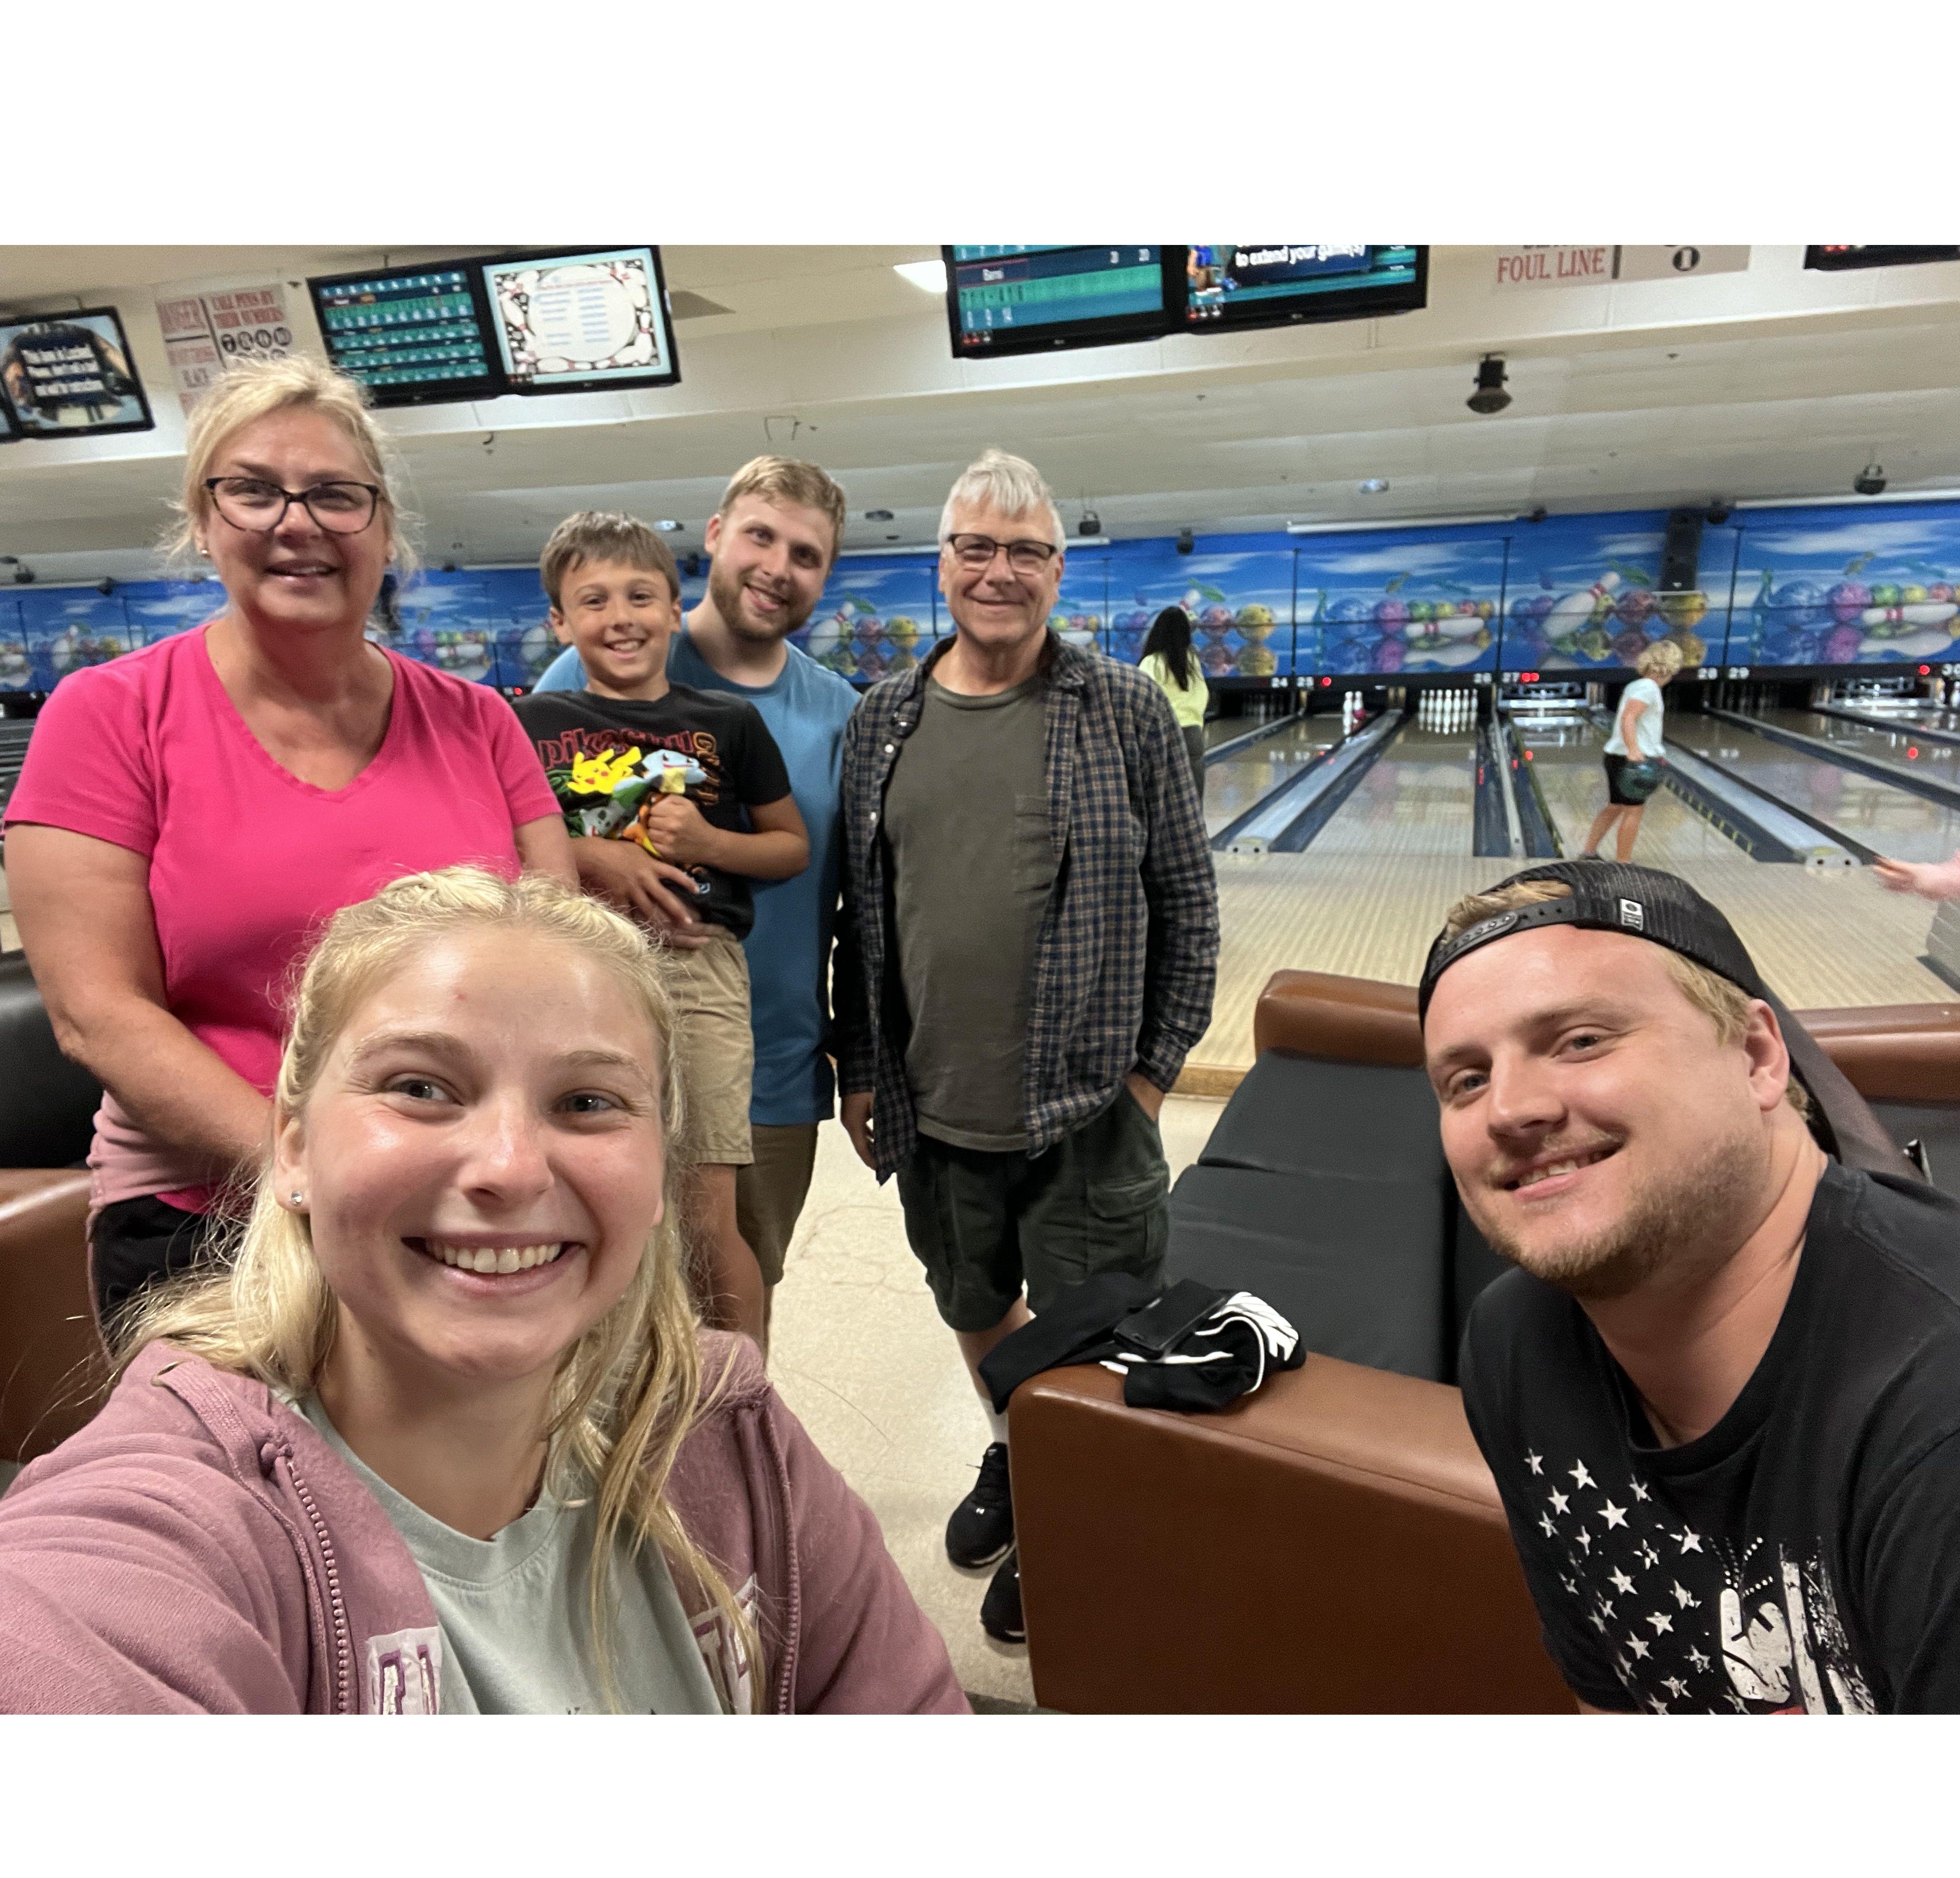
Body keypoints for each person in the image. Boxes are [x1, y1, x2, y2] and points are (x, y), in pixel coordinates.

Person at [0, 868, 967, 1715]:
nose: (508, 1168)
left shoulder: (731, 1437)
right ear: (292, 1147)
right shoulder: (160, 1539)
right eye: (421, 1088)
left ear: (660, 1171)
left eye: (588, 1103)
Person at [2, 356, 573, 1340]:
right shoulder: (109, 716)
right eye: (254, 491)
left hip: (461, 1210)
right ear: (204, 519)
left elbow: (560, 968)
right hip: (208, 1223)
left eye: (335, 496)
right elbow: (100, 1013)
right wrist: (314, 1171)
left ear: (384, 528)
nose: (296, 523)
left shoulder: (479, 722)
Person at [1420, 859, 1960, 1713]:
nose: (1511, 1108)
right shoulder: (1515, 1346)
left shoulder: (1934, 1420)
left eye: (1580, 1040)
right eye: (1467, 1078)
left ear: (1754, 1057)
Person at [835, 449, 1219, 1643]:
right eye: (976, 548)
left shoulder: (1125, 710)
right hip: (933, 1099)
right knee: (973, 1301)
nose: (999, 572)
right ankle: (1016, 1456)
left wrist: (1150, 1082)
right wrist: (858, 1064)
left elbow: (1190, 907)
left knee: (1099, 1327)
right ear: (941, 563)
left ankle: (1071, 1512)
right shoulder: (884, 718)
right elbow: (858, 907)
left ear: (1060, 570)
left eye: (1028, 551)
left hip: (1090, 1103)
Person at [534, 459, 856, 1330]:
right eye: (760, 535)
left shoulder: (839, 712)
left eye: (806, 553)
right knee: (596, 1294)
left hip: (774, 1059)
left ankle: (731, 1456)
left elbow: (864, 909)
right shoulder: (584, 669)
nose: (777, 566)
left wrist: (863, 1064)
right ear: (715, 536)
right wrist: (596, 858)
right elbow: (523, 829)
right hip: (591, 1026)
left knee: (725, 1281)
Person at [1579, 639, 1687, 862]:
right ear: (1671, 667)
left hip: (1617, 757)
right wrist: (1634, 750)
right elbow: (1629, 718)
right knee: (1634, 812)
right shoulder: (1648, 689)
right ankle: (1624, 864)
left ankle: (1589, 853)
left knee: (1615, 807)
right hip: (1633, 760)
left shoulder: (1637, 686)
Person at [1138, 606, 1208, 801]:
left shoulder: (1151, 663)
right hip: (1193, 735)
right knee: (1193, 804)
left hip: (1164, 737)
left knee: (1164, 807)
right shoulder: (1192, 660)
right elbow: (1203, 696)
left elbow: (1144, 703)